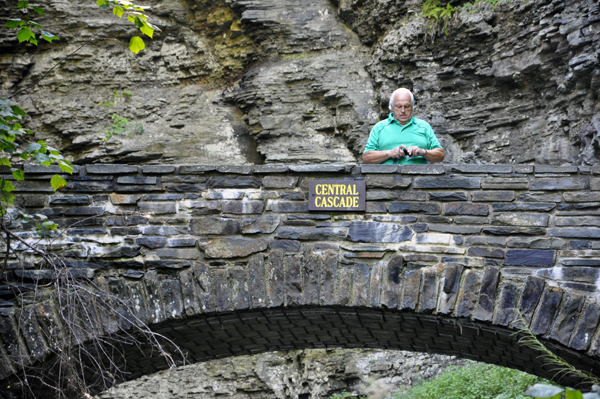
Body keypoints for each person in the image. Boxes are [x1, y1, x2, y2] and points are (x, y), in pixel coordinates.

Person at [363, 88, 445, 165]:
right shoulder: (379, 127)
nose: (403, 111)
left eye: (407, 106)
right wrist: (389, 153)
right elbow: (366, 157)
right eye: (398, 106)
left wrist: (423, 152)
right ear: (391, 106)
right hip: (386, 178)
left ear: (412, 106)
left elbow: (440, 155)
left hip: (418, 178)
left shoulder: (423, 126)